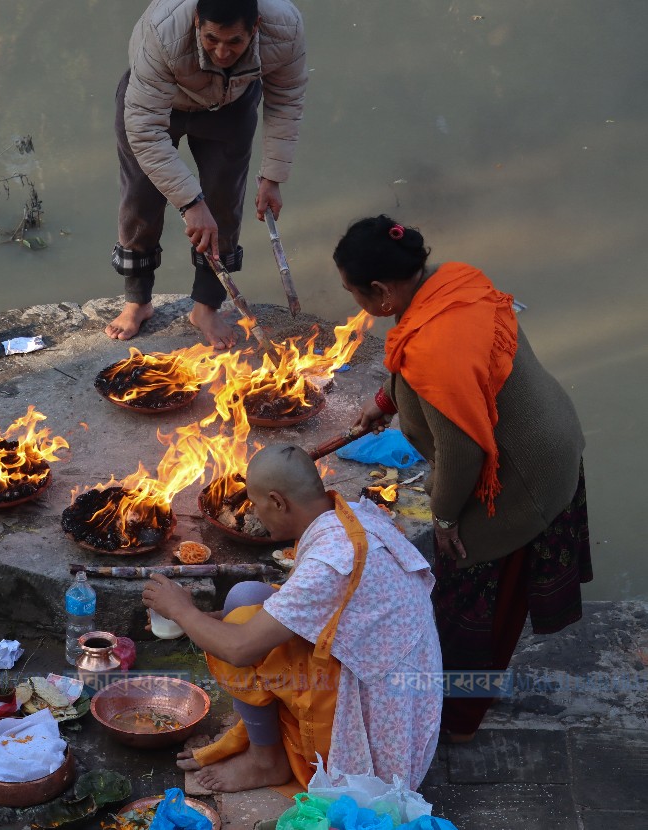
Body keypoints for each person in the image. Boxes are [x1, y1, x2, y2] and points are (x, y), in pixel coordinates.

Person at [334, 215, 591, 741]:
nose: (356, 304)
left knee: (469, 600)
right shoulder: (453, 281)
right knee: (463, 595)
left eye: (354, 293)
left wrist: (445, 517)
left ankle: (454, 719)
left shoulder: (436, 352)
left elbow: (462, 452)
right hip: (553, 434)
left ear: (381, 291)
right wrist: (385, 400)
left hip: (522, 477)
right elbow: (429, 361)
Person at [142, 445, 442, 793]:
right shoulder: (355, 515)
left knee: (238, 630)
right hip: (393, 681)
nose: (253, 513)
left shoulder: (330, 564)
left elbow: (239, 649)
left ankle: (266, 762)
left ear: (278, 501)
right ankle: (264, 746)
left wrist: (182, 610)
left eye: (254, 504)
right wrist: (196, 620)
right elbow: (299, 606)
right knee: (246, 599)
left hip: (374, 719)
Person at [106, 0, 306, 349]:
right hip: (155, 106)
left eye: (235, 42)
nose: (222, 52)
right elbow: (144, 131)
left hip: (231, 106)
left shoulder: (285, 29)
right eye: (212, 39)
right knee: (140, 198)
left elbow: (286, 98)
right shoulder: (162, 30)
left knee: (224, 202)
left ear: (256, 26)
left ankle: (206, 306)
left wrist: (273, 176)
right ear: (197, 20)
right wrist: (189, 203)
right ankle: (138, 300)